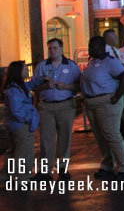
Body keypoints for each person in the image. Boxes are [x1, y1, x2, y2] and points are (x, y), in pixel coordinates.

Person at [80, 36, 124, 180]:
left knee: (111, 134)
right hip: (92, 103)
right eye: (90, 46)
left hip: (106, 102)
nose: (90, 49)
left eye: (93, 46)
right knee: (100, 136)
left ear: (102, 47)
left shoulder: (110, 62)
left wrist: (117, 96)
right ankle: (107, 165)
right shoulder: (93, 62)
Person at [32, 38, 81, 180]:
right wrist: (45, 86)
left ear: (61, 48)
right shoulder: (42, 66)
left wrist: (64, 86)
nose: (52, 51)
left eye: (54, 48)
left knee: (65, 137)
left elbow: (79, 85)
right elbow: (34, 86)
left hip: (65, 104)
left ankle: (62, 168)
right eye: (50, 48)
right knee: (46, 138)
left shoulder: (71, 66)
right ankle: (45, 170)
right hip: (46, 105)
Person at [0, 61, 46, 184]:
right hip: (21, 126)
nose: (27, 71)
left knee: (13, 152)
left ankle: (6, 175)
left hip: (14, 125)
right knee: (24, 153)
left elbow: (30, 84)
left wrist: (42, 78)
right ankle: (21, 178)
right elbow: (17, 111)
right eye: (25, 69)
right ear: (19, 72)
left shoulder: (15, 87)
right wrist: (30, 119)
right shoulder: (14, 91)